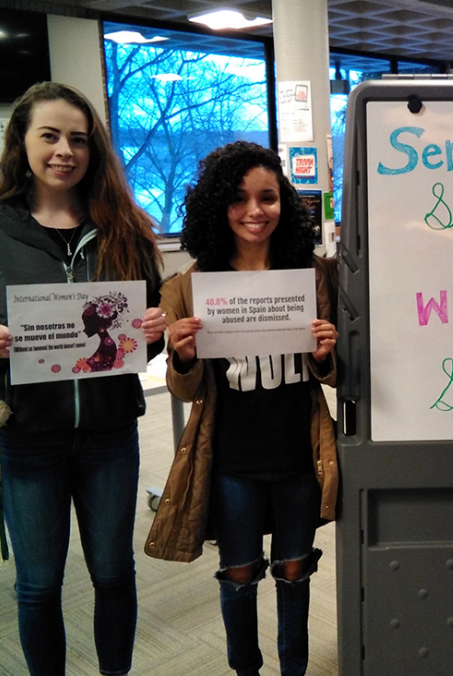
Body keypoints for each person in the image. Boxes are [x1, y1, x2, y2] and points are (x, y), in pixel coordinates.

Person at [0, 82, 165, 676]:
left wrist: (155, 330)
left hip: (111, 434)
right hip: (27, 438)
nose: (65, 150)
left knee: (114, 575)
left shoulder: (125, 228)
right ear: (22, 142)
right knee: (38, 585)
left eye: (79, 139)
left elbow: (150, 324)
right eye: (50, 135)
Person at [144, 141, 339, 676]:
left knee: (296, 572)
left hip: (300, 455)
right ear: (216, 206)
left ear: (286, 203)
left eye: (269, 197)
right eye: (239, 199)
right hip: (230, 462)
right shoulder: (188, 286)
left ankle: (294, 669)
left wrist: (326, 354)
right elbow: (184, 392)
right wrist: (182, 356)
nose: (255, 211)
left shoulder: (314, 275)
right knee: (238, 574)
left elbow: (338, 374)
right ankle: (245, 670)